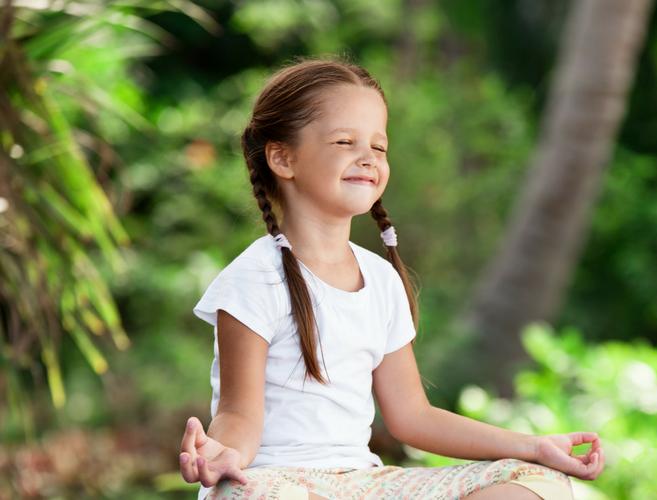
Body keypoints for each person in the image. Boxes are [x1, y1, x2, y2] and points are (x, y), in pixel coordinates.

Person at [178, 57, 604, 500]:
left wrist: (533, 448)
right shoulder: (253, 279)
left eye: (379, 147)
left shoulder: (381, 279)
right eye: (345, 141)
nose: (368, 158)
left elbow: (413, 417)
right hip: (273, 482)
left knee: (538, 485)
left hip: (361, 483)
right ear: (283, 158)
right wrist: (223, 453)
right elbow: (238, 413)